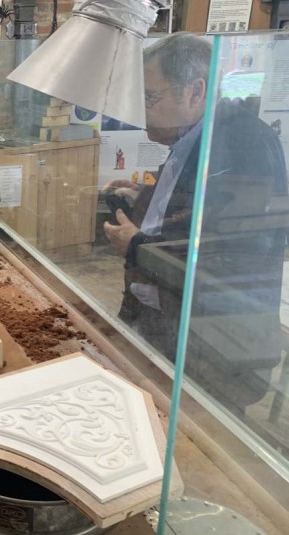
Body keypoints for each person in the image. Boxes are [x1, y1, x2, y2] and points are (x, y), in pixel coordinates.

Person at [103, 33, 288, 412]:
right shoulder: (195, 136)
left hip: (211, 346)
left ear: (195, 91)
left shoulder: (243, 145)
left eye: (150, 98)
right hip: (163, 327)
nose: (142, 111)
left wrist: (138, 246)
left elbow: (232, 255)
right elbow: (204, 212)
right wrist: (146, 200)